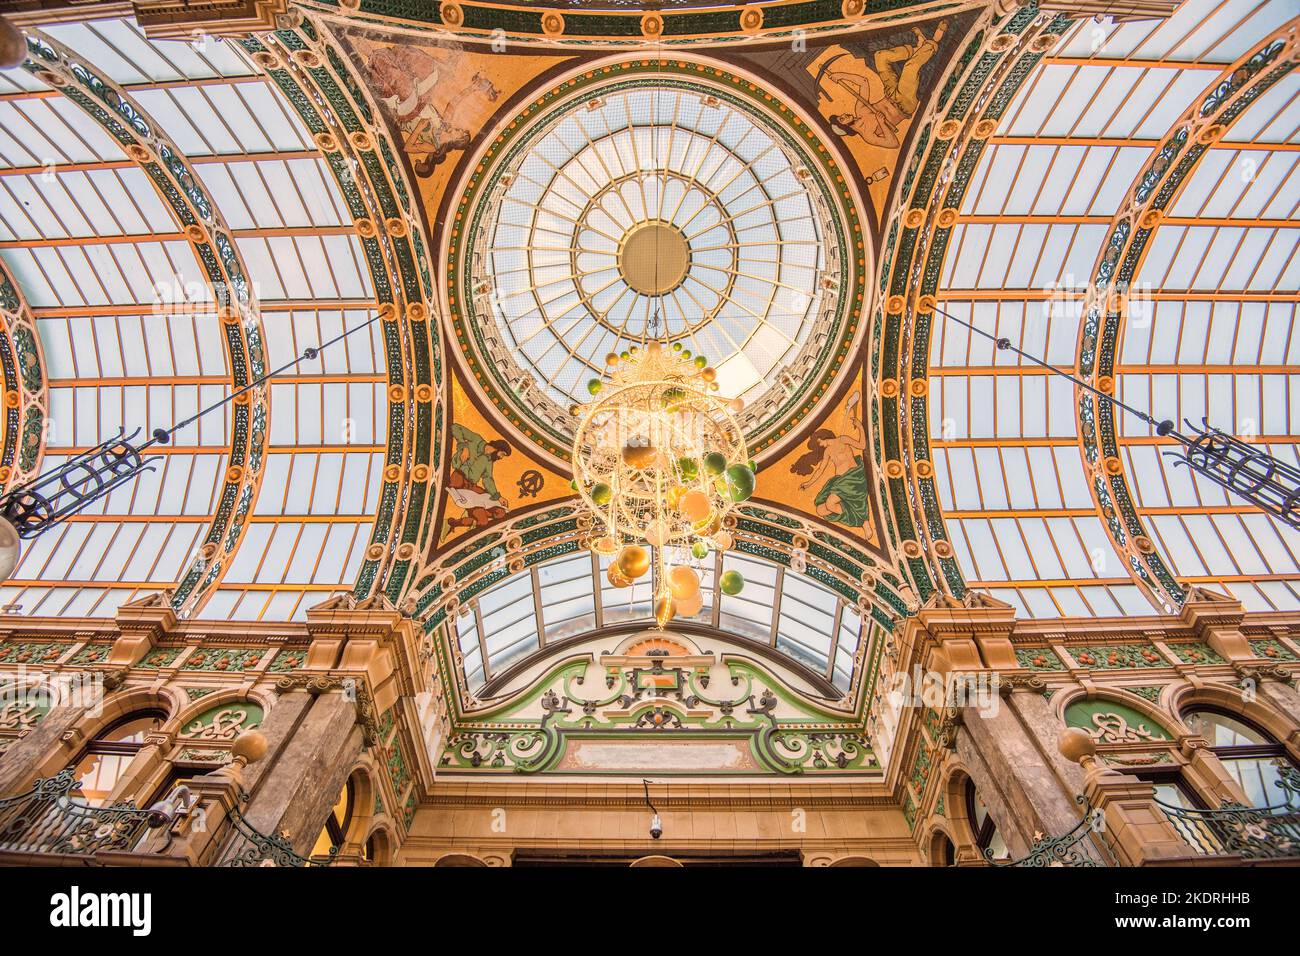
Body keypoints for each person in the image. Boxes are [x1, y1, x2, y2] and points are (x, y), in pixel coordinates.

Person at [792, 390, 869, 532]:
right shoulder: (827, 452)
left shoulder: (843, 439)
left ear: (820, 438)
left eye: (817, 442)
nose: (818, 445)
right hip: (839, 482)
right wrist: (808, 483)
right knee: (821, 510)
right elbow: (820, 470)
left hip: (852, 478)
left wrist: (860, 427)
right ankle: (860, 519)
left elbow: (862, 446)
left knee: (830, 504)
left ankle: (862, 521)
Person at [446, 423, 512, 532]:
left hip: (471, 487)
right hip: (459, 479)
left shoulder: (489, 462)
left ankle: (462, 520)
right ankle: (452, 523)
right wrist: (463, 446)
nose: (501, 457)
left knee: (501, 513)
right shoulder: (476, 440)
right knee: (483, 522)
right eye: (503, 454)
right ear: (498, 448)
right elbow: (455, 427)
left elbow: (487, 479)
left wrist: (498, 497)